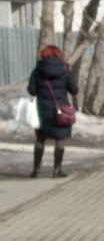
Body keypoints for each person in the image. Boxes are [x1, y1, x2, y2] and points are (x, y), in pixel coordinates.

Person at [27, 44, 79, 179]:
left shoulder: (37, 71)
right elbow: (74, 90)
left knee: (40, 139)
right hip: (60, 111)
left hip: (42, 111)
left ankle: (36, 170)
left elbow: (32, 90)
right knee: (60, 138)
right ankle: (57, 170)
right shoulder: (65, 70)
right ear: (58, 55)